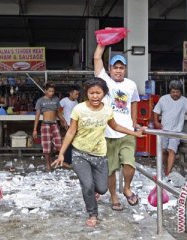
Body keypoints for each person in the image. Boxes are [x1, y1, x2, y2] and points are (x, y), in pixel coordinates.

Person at [52, 78, 145, 227]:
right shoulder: (79, 109)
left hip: (100, 155)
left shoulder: (107, 110)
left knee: (102, 188)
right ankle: (92, 213)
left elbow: (115, 126)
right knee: (88, 185)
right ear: (86, 94)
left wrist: (134, 133)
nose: (95, 96)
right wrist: (62, 153)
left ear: (104, 94)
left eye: (98, 93)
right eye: (91, 93)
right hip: (80, 153)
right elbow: (71, 132)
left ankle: (91, 190)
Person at [94, 44, 141, 210]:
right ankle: (114, 197)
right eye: (116, 68)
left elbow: (134, 102)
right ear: (110, 69)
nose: (119, 71)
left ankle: (126, 188)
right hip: (107, 134)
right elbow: (97, 58)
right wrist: (102, 43)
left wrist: (134, 123)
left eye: (122, 68)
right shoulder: (105, 82)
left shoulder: (131, 85)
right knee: (110, 170)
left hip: (126, 132)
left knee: (129, 163)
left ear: (125, 70)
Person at [153, 80, 187, 176]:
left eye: (177, 92)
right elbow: (156, 111)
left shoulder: (185, 101)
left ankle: (168, 174)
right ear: (170, 91)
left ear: (181, 92)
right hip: (164, 130)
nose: (175, 94)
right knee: (164, 151)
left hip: (176, 131)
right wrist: (156, 122)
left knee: (171, 150)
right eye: (173, 92)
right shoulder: (163, 99)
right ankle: (165, 168)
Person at [33, 83, 67, 171]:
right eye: (49, 91)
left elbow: (59, 113)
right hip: (45, 125)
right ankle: (48, 165)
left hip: (54, 124)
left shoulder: (56, 99)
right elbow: (37, 115)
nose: (51, 93)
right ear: (45, 91)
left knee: (59, 144)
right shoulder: (40, 101)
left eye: (53, 91)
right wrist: (35, 130)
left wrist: (64, 121)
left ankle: (59, 161)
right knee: (46, 146)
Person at [59, 85, 80, 167]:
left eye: (78, 94)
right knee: (66, 143)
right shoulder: (64, 101)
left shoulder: (76, 102)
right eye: (76, 94)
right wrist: (63, 121)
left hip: (73, 125)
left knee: (71, 144)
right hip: (66, 125)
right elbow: (58, 112)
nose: (77, 96)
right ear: (70, 93)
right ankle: (64, 161)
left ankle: (68, 161)